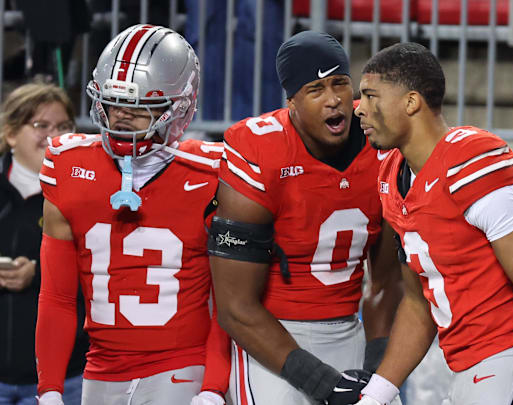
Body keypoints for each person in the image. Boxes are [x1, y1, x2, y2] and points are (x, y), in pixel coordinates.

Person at [352, 42, 513, 405]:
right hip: (466, 366)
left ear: (411, 102)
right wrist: (377, 394)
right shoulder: (392, 174)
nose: (359, 109)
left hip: (512, 354)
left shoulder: (471, 163)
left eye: (371, 96)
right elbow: (418, 302)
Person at [35, 25, 229, 405]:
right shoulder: (68, 165)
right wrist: (50, 389)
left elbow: (229, 301)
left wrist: (213, 388)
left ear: (180, 107)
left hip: (180, 366)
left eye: (141, 106)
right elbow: (56, 296)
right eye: (113, 102)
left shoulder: (212, 174)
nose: (122, 116)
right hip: (99, 370)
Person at [208, 31, 403, 405]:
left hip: (350, 330)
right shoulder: (259, 150)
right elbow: (235, 308)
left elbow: (388, 282)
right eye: (315, 89)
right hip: (273, 340)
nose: (333, 100)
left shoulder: (382, 141)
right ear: (292, 101)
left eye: (340, 84)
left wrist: (377, 366)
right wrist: (320, 382)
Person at [0, 83, 88, 405]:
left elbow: (104, 272)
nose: (54, 135)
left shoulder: (83, 197)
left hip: (66, 381)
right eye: (41, 125)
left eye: (64, 126)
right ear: (11, 134)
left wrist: (39, 274)